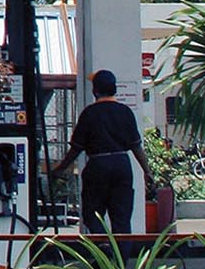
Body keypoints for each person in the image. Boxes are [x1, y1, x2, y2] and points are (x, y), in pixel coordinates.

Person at [50, 69, 153, 234]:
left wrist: (60, 169)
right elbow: (136, 147)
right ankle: (121, 251)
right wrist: (147, 171)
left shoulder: (89, 113)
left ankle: (102, 245)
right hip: (122, 165)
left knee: (92, 214)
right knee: (121, 218)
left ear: (95, 91)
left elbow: (76, 148)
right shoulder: (125, 112)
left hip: (98, 166)